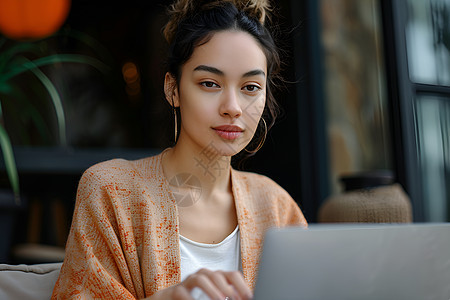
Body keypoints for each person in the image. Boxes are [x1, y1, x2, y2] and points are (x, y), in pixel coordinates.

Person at [52, 0, 307, 299]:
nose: (233, 108)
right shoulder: (111, 191)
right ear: (172, 89)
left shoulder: (276, 207)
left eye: (250, 87)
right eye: (210, 83)